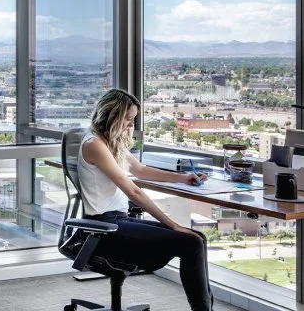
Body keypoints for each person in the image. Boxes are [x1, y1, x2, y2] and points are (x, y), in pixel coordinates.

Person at [79, 88, 213, 311]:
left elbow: (140, 170)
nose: (131, 125)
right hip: (102, 229)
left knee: (197, 237)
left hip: (118, 220)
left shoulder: (110, 142)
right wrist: (173, 225)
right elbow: (135, 192)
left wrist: (183, 178)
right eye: (128, 119)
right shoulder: (95, 144)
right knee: (190, 241)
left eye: (133, 119)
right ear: (111, 116)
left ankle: (205, 308)